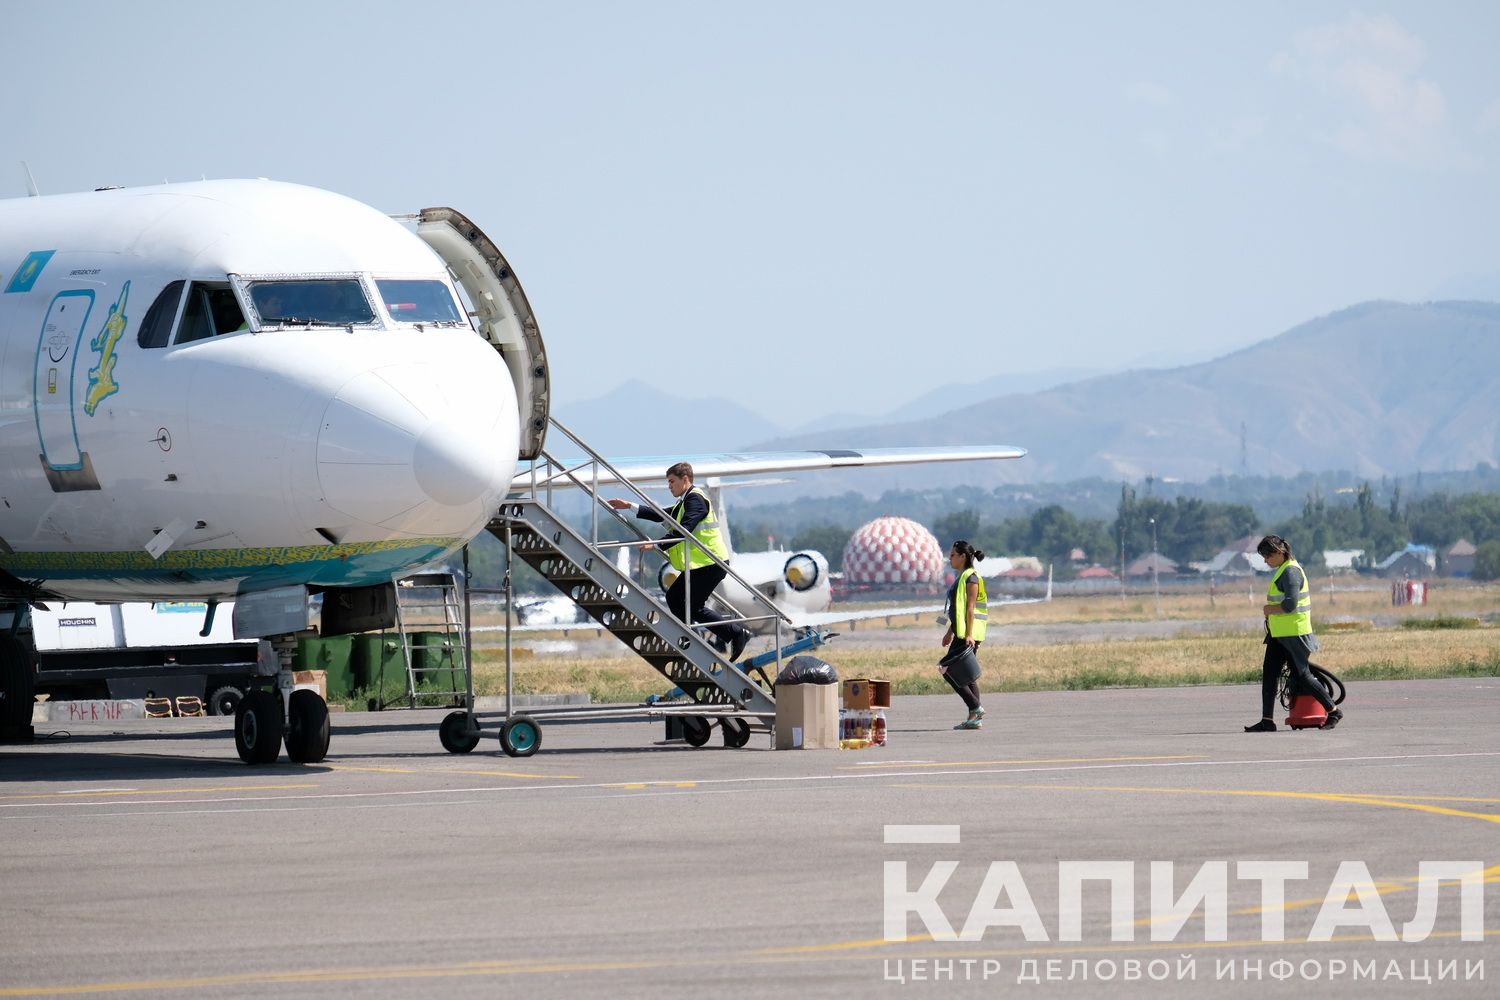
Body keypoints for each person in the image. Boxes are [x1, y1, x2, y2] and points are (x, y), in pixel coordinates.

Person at [606, 462, 751, 661]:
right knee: (675, 597)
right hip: (702, 564)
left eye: (672, 481)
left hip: (711, 562)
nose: (669, 486)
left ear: (685, 479)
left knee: (692, 605)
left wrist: (657, 545)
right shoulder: (685, 501)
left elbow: (685, 528)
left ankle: (730, 634)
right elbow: (662, 515)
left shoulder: (695, 500)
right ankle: (700, 637)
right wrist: (629, 506)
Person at [1245, 534, 1343, 732]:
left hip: (1294, 634)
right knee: (1270, 674)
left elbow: (1290, 604)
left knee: (1303, 676)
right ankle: (1267, 720)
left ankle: (1333, 711)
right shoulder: (1282, 570)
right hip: (1278, 634)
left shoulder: (1291, 572)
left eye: (1267, 556)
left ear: (1279, 553)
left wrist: (1269, 609)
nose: (1265, 560)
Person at [939, 539, 988, 730]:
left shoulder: (971, 578)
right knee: (967, 675)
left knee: (946, 668)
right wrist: (949, 631)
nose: (949, 558)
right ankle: (974, 718)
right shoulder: (962, 577)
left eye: (952, 555)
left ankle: (975, 707)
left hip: (969, 634)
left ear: (963, 556)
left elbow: (970, 608)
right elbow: (957, 610)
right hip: (960, 632)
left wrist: (968, 635)